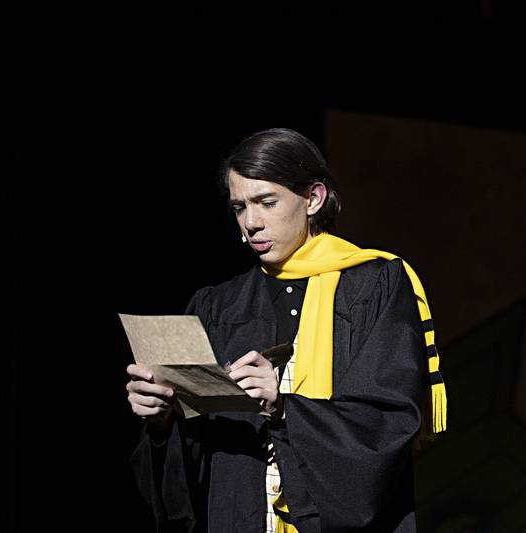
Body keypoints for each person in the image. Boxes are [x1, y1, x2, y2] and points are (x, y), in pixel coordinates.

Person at [125, 128, 447, 532]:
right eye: (240, 207)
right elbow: (190, 478)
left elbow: (386, 422)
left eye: (266, 201)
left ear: (313, 198)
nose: (251, 223)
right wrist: (161, 420)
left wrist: (282, 406)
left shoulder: (372, 286)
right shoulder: (220, 306)